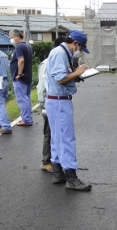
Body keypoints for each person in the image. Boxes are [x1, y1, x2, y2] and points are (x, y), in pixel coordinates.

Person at [45, 30, 92, 191]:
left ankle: (58, 173)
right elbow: (60, 79)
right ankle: (72, 178)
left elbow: (62, 76)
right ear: (76, 44)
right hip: (59, 102)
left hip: (55, 101)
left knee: (57, 138)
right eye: (80, 48)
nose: (79, 52)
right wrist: (77, 73)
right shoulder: (60, 53)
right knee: (66, 138)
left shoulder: (61, 52)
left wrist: (75, 75)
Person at [37, 36, 66, 173]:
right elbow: (42, 86)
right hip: (48, 102)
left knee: (56, 133)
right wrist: (44, 104)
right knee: (49, 133)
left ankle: (56, 160)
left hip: (57, 102)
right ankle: (46, 161)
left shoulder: (59, 61)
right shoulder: (47, 63)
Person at [9, 29, 33, 126]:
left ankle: (26, 119)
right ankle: (28, 117)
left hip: (21, 78)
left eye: (12, 37)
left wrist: (19, 73)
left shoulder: (19, 47)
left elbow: (21, 60)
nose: (11, 39)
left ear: (17, 37)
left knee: (22, 99)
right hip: (28, 76)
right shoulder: (27, 46)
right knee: (26, 98)